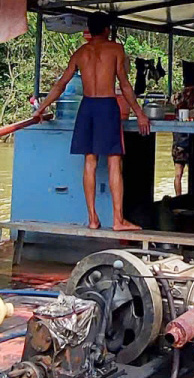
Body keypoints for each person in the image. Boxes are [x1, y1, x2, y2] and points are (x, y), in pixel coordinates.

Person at [34, 12, 150, 230]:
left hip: (87, 107)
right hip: (107, 105)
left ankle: (93, 219)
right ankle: (117, 220)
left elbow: (61, 85)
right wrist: (139, 112)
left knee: (90, 161)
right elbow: (124, 85)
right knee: (114, 161)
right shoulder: (115, 49)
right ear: (106, 29)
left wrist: (41, 107)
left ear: (89, 29)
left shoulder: (80, 53)